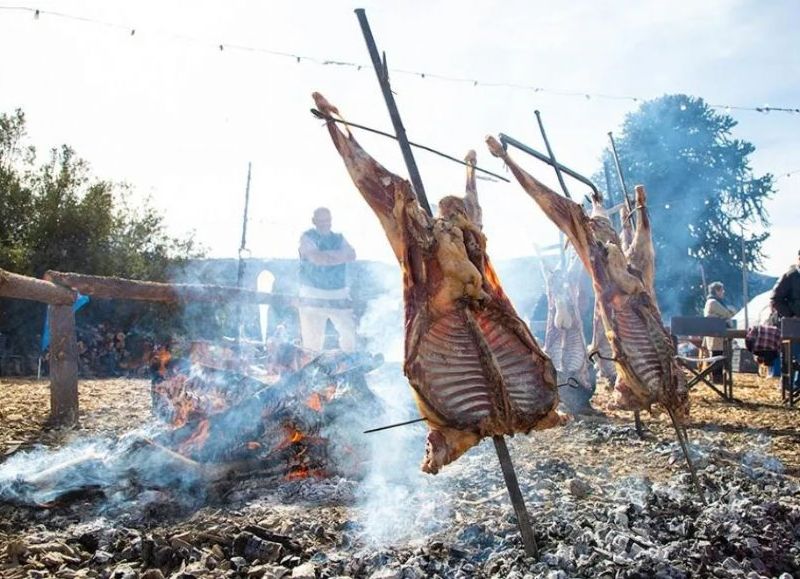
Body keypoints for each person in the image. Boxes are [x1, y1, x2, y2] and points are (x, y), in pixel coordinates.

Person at [297, 207, 357, 352]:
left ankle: (348, 365)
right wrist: (337, 256)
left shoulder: (339, 238)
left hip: (338, 292)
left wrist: (326, 256)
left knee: (348, 335)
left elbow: (351, 255)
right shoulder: (307, 237)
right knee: (312, 340)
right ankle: (310, 371)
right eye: (321, 221)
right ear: (314, 221)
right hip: (312, 292)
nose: (325, 224)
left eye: (327, 220)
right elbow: (317, 258)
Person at [770, 250, 800, 387]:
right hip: (792, 324)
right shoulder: (790, 276)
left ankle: (797, 386)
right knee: (790, 357)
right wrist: (791, 315)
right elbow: (775, 299)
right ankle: (788, 387)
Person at [703, 281, 736, 384]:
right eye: (721, 290)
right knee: (717, 355)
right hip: (716, 334)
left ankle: (718, 377)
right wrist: (729, 313)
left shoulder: (712, 302)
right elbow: (727, 313)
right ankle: (717, 378)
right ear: (716, 291)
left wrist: (723, 316)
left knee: (718, 354)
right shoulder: (713, 302)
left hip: (716, 333)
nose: (723, 292)